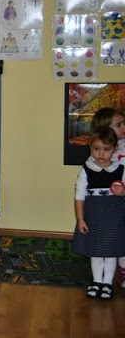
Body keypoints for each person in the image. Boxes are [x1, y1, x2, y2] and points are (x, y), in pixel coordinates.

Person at [72, 127, 125, 300]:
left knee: (110, 251)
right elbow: (79, 196)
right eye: (96, 148)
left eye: (106, 149)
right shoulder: (86, 171)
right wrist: (81, 219)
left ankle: (107, 283)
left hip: (114, 217)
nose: (101, 153)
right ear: (90, 148)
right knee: (95, 250)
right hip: (94, 216)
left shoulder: (121, 170)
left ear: (114, 149)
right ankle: (96, 281)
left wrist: (123, 192)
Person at [90, 108, 125, 289]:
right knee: (116, 235)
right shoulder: (101, 153)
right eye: (119, 125)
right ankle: (120, 269)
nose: (124, 127)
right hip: (111, 203)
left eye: (124, 123)